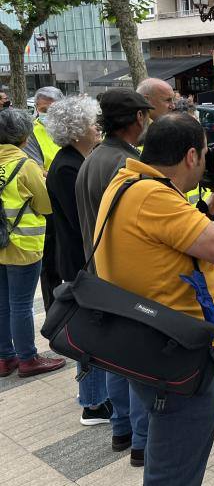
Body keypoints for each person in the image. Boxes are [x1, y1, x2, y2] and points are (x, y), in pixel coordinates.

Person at [94, 114, 214, 486]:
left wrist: (211, 199)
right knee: (175, 468)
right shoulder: (153, 198)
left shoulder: (128, 180)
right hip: (177, 354)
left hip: (142, 337)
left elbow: (173, 235)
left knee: (168, 453)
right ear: (191, 156)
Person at [75, 87, 153, 466]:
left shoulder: (93, 158)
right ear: (137, 119)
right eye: (146, 114)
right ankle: (140, 440)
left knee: (116, 361)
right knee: (136, 363)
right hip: (122, 278)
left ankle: (123, 429)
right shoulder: (124, 164)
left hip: (99, 274)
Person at [44, 96, 112, 425]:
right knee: (90, 332)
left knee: (91, 329)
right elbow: (80, 220)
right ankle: (94, 402)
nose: (96, 126)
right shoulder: (68, 166)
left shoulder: (76, 160)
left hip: (80, 259)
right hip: (79, 262)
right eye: (89, 123)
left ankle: (92, 393)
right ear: (74, 131)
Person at [0, 108, 65, 378]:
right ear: (24, 136)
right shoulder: (25, 165)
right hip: (23, 246)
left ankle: (5, 357)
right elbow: (45, 205)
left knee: (3, 304)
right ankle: (28, 358)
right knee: (21, 305)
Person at [21, 87, 63, 311]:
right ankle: (54, 313)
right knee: (51, 266)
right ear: (37, 108)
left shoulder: (69, 127)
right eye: (43, 109)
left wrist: (50, 171)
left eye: (52, 109)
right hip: (49, 205)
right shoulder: (32, 132)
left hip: (71, 201)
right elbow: (38, 171)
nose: (47, 113)